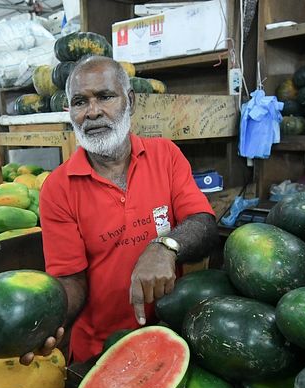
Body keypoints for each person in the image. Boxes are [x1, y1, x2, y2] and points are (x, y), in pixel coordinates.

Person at [39, 56, 219, 362]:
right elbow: (71, 280)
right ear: (70, 111)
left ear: (130, 101)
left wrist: (164, 247)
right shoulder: (58, 188)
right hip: (100, 349)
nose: (92, 112)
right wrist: (45, 321)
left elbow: (202, 222)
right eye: (80, 102)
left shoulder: (165, 155)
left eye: (105, 97)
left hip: (169, 334)